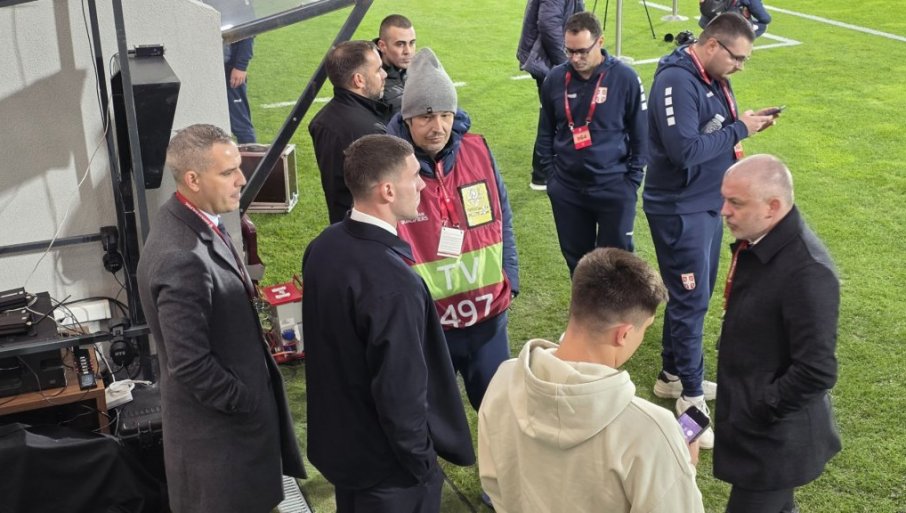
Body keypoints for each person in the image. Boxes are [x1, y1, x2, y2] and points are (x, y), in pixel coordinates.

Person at [302, 134, 475, 513]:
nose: (422, 185)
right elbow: (400, 391)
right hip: (389, 472)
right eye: (413, 176)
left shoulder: (323, 246)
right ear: (387, 191)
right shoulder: (394, 283)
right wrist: (422, 464)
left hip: (346, 456)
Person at [137, 124, 305, 513]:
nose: (241, 180)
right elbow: (190, 364)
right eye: (228, 172)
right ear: (193, 180)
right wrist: (246, 402)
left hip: (227, 445)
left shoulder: (189, 220)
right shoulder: (182, 256)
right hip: (222, 453)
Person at [478, 248, 704, 513]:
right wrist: (684, 468)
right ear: (623, 334)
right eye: (645, 329)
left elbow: (492, 482)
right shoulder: (652, 432)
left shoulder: (504, 378)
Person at [643, 12, 778, 448]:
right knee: (691, 300)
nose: (740, 66)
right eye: (737, 57)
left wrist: (743, 123)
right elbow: (683, 150)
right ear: (713, 45)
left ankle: (672, 375)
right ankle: (691, 400)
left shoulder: (711, 77)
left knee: (692, 297)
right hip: (679, 210)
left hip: (704, 204)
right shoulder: (676, 81)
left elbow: (712, 130)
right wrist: (741, 129)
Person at [387, 48, 519, 414]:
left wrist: (510, 278)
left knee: (499, 413)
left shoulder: (478, 150)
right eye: (427, 116)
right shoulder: (389, 166)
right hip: (430, 328)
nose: (438, 127)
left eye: (446, 115)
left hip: (488, 318)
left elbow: (502, 216)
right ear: (408, 118)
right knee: (432, 420)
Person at [715, 154, 841, 512]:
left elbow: (816, 371)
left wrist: (759, 407)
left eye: (736, 203)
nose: (724, 211)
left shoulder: (808, 272)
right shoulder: (761, 241)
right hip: (759, 429)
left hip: (773, 442)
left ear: (773, 207)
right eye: (725, 199)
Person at [536, 11, 648, 275]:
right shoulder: (555, 79)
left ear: (600, 42)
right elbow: (545, 132)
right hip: (567, 190)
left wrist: (631, 182)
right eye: (569, 51)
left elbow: (641, 134)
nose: (575, 58)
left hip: (614, 187)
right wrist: (552, 179)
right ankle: (585, 303)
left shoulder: (625, 78)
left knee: (618, 264)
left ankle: (616, 305)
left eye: (582, 51)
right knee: (578, 265)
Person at [309, 40, 391, 223]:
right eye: (378, 70)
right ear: (359, 80)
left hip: (343, 222)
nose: (385, 74)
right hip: (369, 227)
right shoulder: (368, 130)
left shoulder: (323, 119)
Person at [516, 0, 585, 190]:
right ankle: (544, 173)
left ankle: (544, 173)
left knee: (556, 114)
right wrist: (567, 62)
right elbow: (548, 23)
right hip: (548, 59)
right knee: (560, 114)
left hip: (547, 58)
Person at [376, 14, 416, 115]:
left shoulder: (418, 68)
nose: (408, 51)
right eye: (400, 44)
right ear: (382, 46)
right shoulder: (373, 83)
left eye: (411, 43)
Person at [699, 0, 772, 38]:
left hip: (707, 22)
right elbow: (764, 18)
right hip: (729, 27)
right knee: (763, 26)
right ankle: (738, 43)